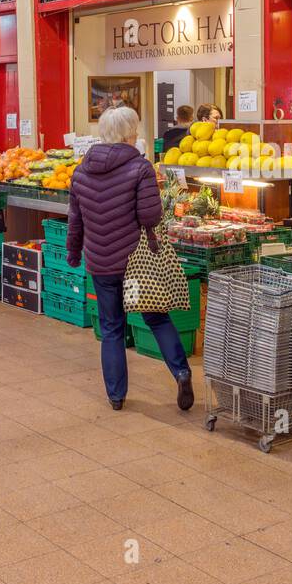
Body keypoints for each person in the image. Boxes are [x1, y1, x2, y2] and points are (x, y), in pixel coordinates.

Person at [67, 106, 194, 412]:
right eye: (135, 129)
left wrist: (73, 252)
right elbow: (149, 216)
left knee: (111, 327)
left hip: (101, 261)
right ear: (128, 134)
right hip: (136, 263)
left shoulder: (81, 171)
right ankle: (181, 371)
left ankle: (115, 396)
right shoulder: (140, 168)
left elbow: (75, 220)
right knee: (156, 316)